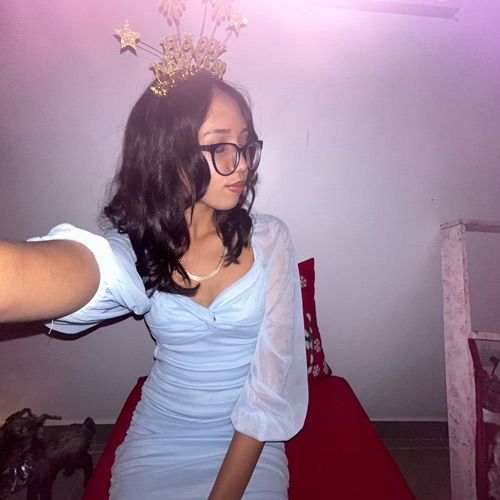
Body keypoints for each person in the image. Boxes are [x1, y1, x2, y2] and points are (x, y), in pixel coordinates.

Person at [0, 72, 308, 499]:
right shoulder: (139, 246)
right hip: (161, 435)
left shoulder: (270, 240)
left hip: (249, 440)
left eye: (245, 144)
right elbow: (95, 269)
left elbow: (270, 388)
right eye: (220, 146)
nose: (241, 163)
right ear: (169, 153)